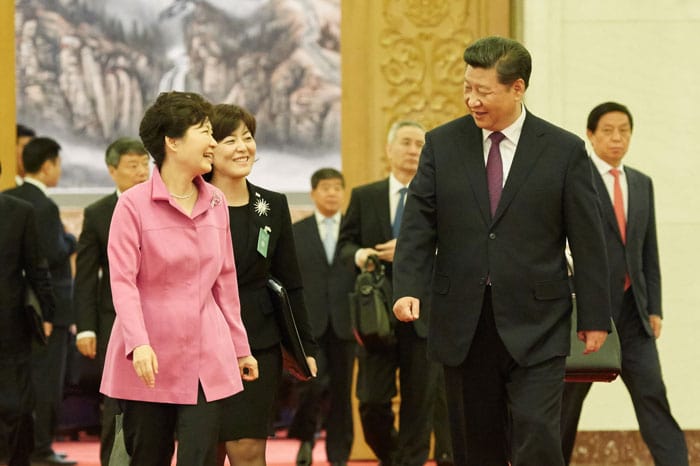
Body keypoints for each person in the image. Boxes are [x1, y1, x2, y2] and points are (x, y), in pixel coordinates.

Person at [391, 36, 612, 466]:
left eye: (484, 91)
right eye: (467, 88)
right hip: (464, 324)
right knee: (476, 446)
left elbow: (587, 240)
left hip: (539, 322)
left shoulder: (563, 151)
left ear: (517, 88)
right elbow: (419, 225)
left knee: (538, 439)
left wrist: (595, 316)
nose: (472, 100)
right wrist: (407, 287)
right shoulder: (442, 145)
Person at [99, 91, 258, 466]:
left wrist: (240, 347)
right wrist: (138, 343)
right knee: (148, 456)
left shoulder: (216, 202)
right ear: (172, 141)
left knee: (201, 455)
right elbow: (123, 282)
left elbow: (226, 283)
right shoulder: (132, 205)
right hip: (149, 356)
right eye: (204, 131)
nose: (213, 143)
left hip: (207, 353)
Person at [560, 102, 689, 466]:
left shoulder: (640, 182)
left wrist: (655, 308)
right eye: (607, 131)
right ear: (590, 135)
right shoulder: (576, 177)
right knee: (566, 407)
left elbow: (648, 251)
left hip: (634, 314)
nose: (617, 138)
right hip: (586, 316)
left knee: (653, 398)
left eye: (624, 130)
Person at [207, 103, 318, 466]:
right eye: (230, 139)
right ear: (209, 148)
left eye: (248, 138)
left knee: (249, 450)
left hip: (258, 343)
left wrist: (306, 346)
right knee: (206, 450)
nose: (243, 147)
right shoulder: (192, 203)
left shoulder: (272, 205)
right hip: (201, 341)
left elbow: (291, 282)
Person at [337, 120, 442, 466]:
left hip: (424, 313)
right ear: (390, 149)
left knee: (419, 401)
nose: (413, 150)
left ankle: (410, 461)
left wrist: (412, 250)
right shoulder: (365, 196)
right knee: (371, 402)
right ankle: (395, 458)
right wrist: (362, 255)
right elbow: (344, 246)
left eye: (420, 145)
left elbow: (457, 248)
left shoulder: (438, 196)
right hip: (375, 315)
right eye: (407, 143)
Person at [74, 137, 149, 466]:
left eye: (145, 164)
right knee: (116, 402)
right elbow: (87, 276)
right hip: (113, 319)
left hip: (160, 316)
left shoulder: (164, 203)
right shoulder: (99, 213)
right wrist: (86, 328)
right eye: (132, 166)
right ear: (112, 170)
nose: (140, 172)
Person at [5, 137, 78, 466]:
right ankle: (39, 448)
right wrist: (71, 238)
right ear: (48, 165)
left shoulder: (12, 199)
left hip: (19, 311)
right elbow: (47, 258)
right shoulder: (40, 207)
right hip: (33, 314)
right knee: (41, 383)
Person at [287, 168, 356, 466]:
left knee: (342, 393)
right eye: (325, 188)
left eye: (337, 187)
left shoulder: (354, 231)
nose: (332, 193)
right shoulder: (297, 232)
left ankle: (339, 454)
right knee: (311, 387)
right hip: (310, 324)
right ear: (313, 193)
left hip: (346, 324)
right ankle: (305, 439)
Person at [0, 160, 56, 466]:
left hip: (11, 324)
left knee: (16, 404)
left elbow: (37, 268)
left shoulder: (20, 212)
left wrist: (47, 313)